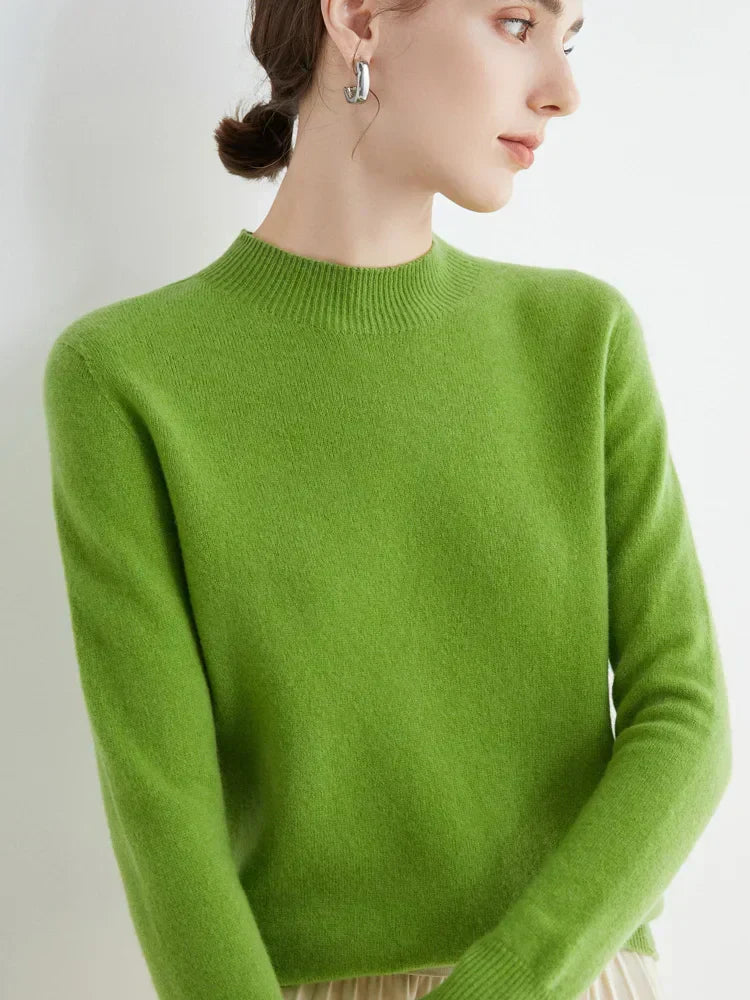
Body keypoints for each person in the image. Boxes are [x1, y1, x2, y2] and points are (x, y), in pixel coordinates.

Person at [42, 2, 732, 1000]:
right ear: (359, 17)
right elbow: (164, 811)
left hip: (568, 982)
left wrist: (501, 986)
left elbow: (688, 720)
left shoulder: (581, 341)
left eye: (570, 38)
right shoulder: (125, 377)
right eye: (516, 22)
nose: (563, 90)